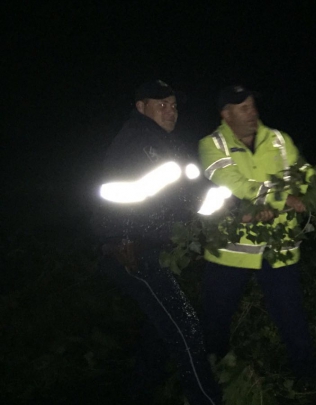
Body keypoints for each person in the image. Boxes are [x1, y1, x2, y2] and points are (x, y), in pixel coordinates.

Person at [198, 85, 316, 385]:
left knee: (292, 317)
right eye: (243, 108)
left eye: (253, 105)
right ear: (226, 114)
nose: (252, 113)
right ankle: (208, 382)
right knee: (215, 321)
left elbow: (307, 178)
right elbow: (235, 183)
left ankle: (308, 382)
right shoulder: (211, 145)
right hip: (229, 250)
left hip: (279, 247)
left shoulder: (279, 140)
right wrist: (281, 200)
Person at [93, 80, 223, 405]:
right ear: (141, 107)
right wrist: (120, 238)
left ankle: (139, 394)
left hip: (158, 250)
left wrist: (231, 205)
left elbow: (192, 195)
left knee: (159, 333)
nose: (171, 110)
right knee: (188, 327)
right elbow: (113, 192)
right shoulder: (135, 141)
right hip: (134, 252)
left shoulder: (169, 146)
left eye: (174, 104)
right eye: (161, 103)